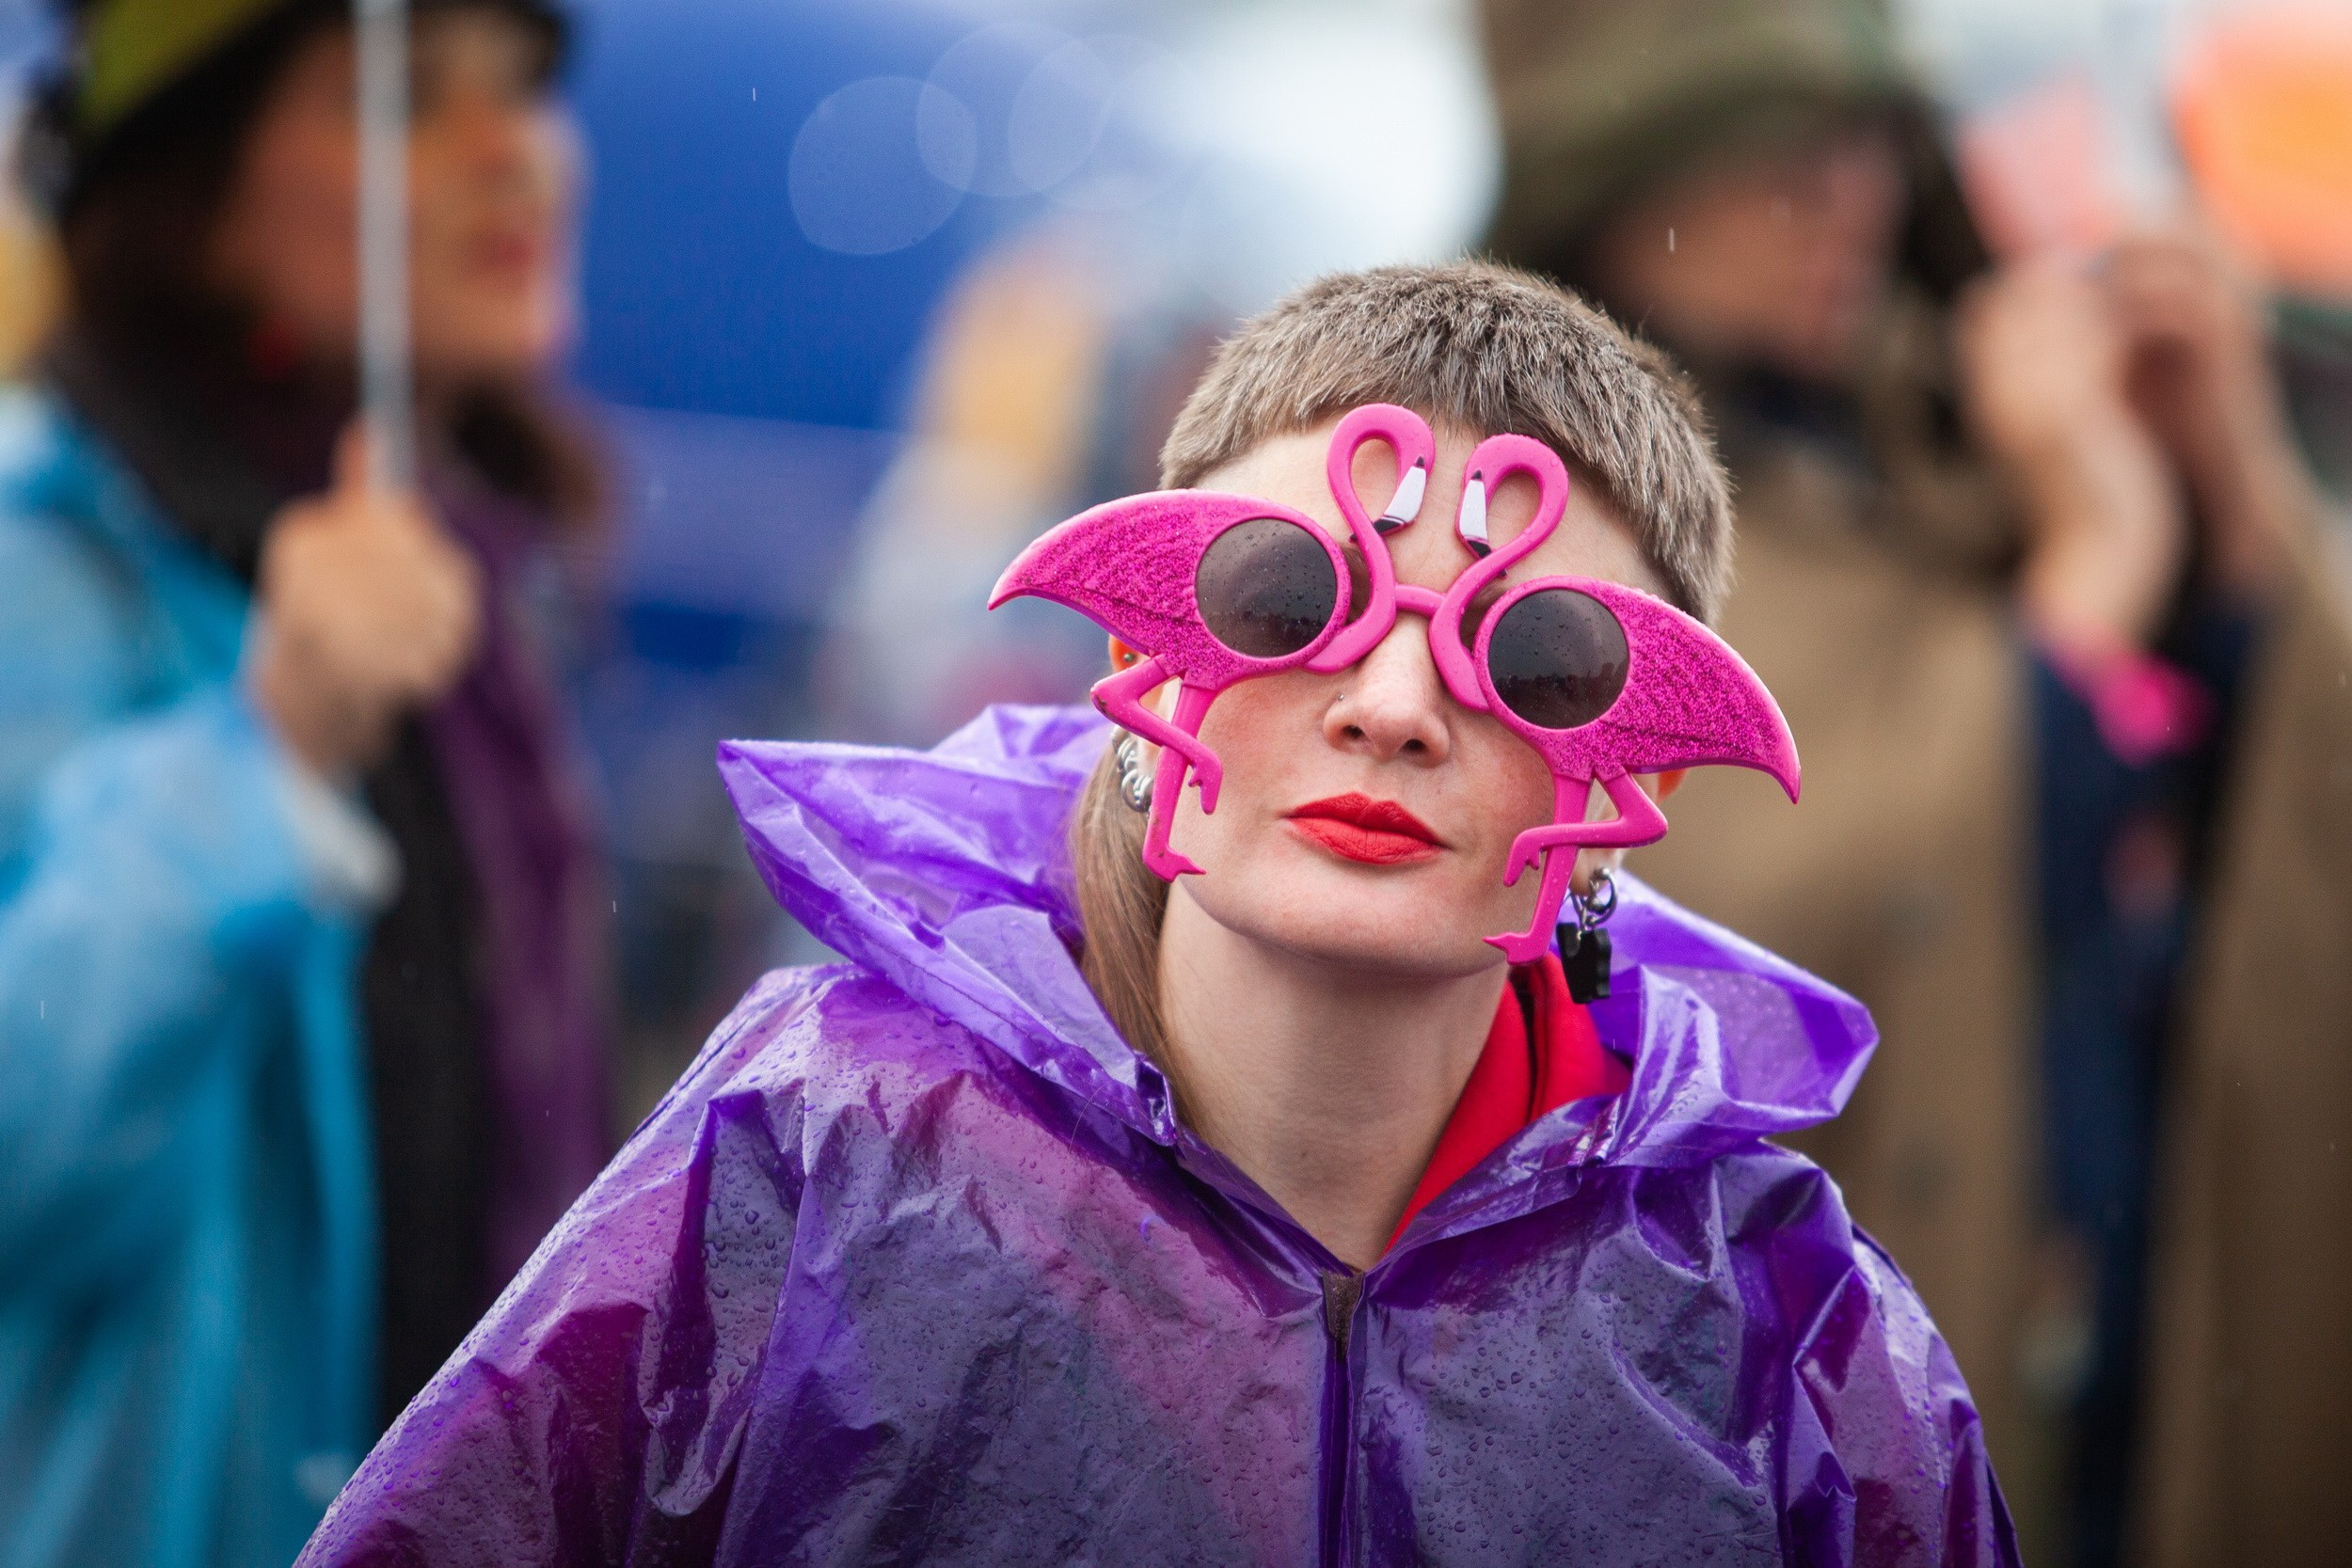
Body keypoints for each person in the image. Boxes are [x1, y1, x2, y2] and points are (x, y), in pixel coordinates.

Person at [298, 262, 2017, 1566]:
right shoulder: (812, 1158)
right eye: (1288, 597)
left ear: (1632, 767)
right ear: (1137, 651)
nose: (1395, 707)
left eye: (1537, 657)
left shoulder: (1783, 1330)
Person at [1477, 0, 2352, 1562]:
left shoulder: (1932, 446)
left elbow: (2263, 825)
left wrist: (2230, 509)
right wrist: (2084, 591)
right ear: (1610, 189)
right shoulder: (1521, 528)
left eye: (1877, 143)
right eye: (1778, 155)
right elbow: (1693, 933)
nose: (1855, 201)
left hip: (2119, 1364)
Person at [0, 2, 610, 1562]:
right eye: (403, 98)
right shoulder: (37, 582)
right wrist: (270, 754)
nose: (510, 156)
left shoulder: (482, 602)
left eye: (523, 89)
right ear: (193, 188)